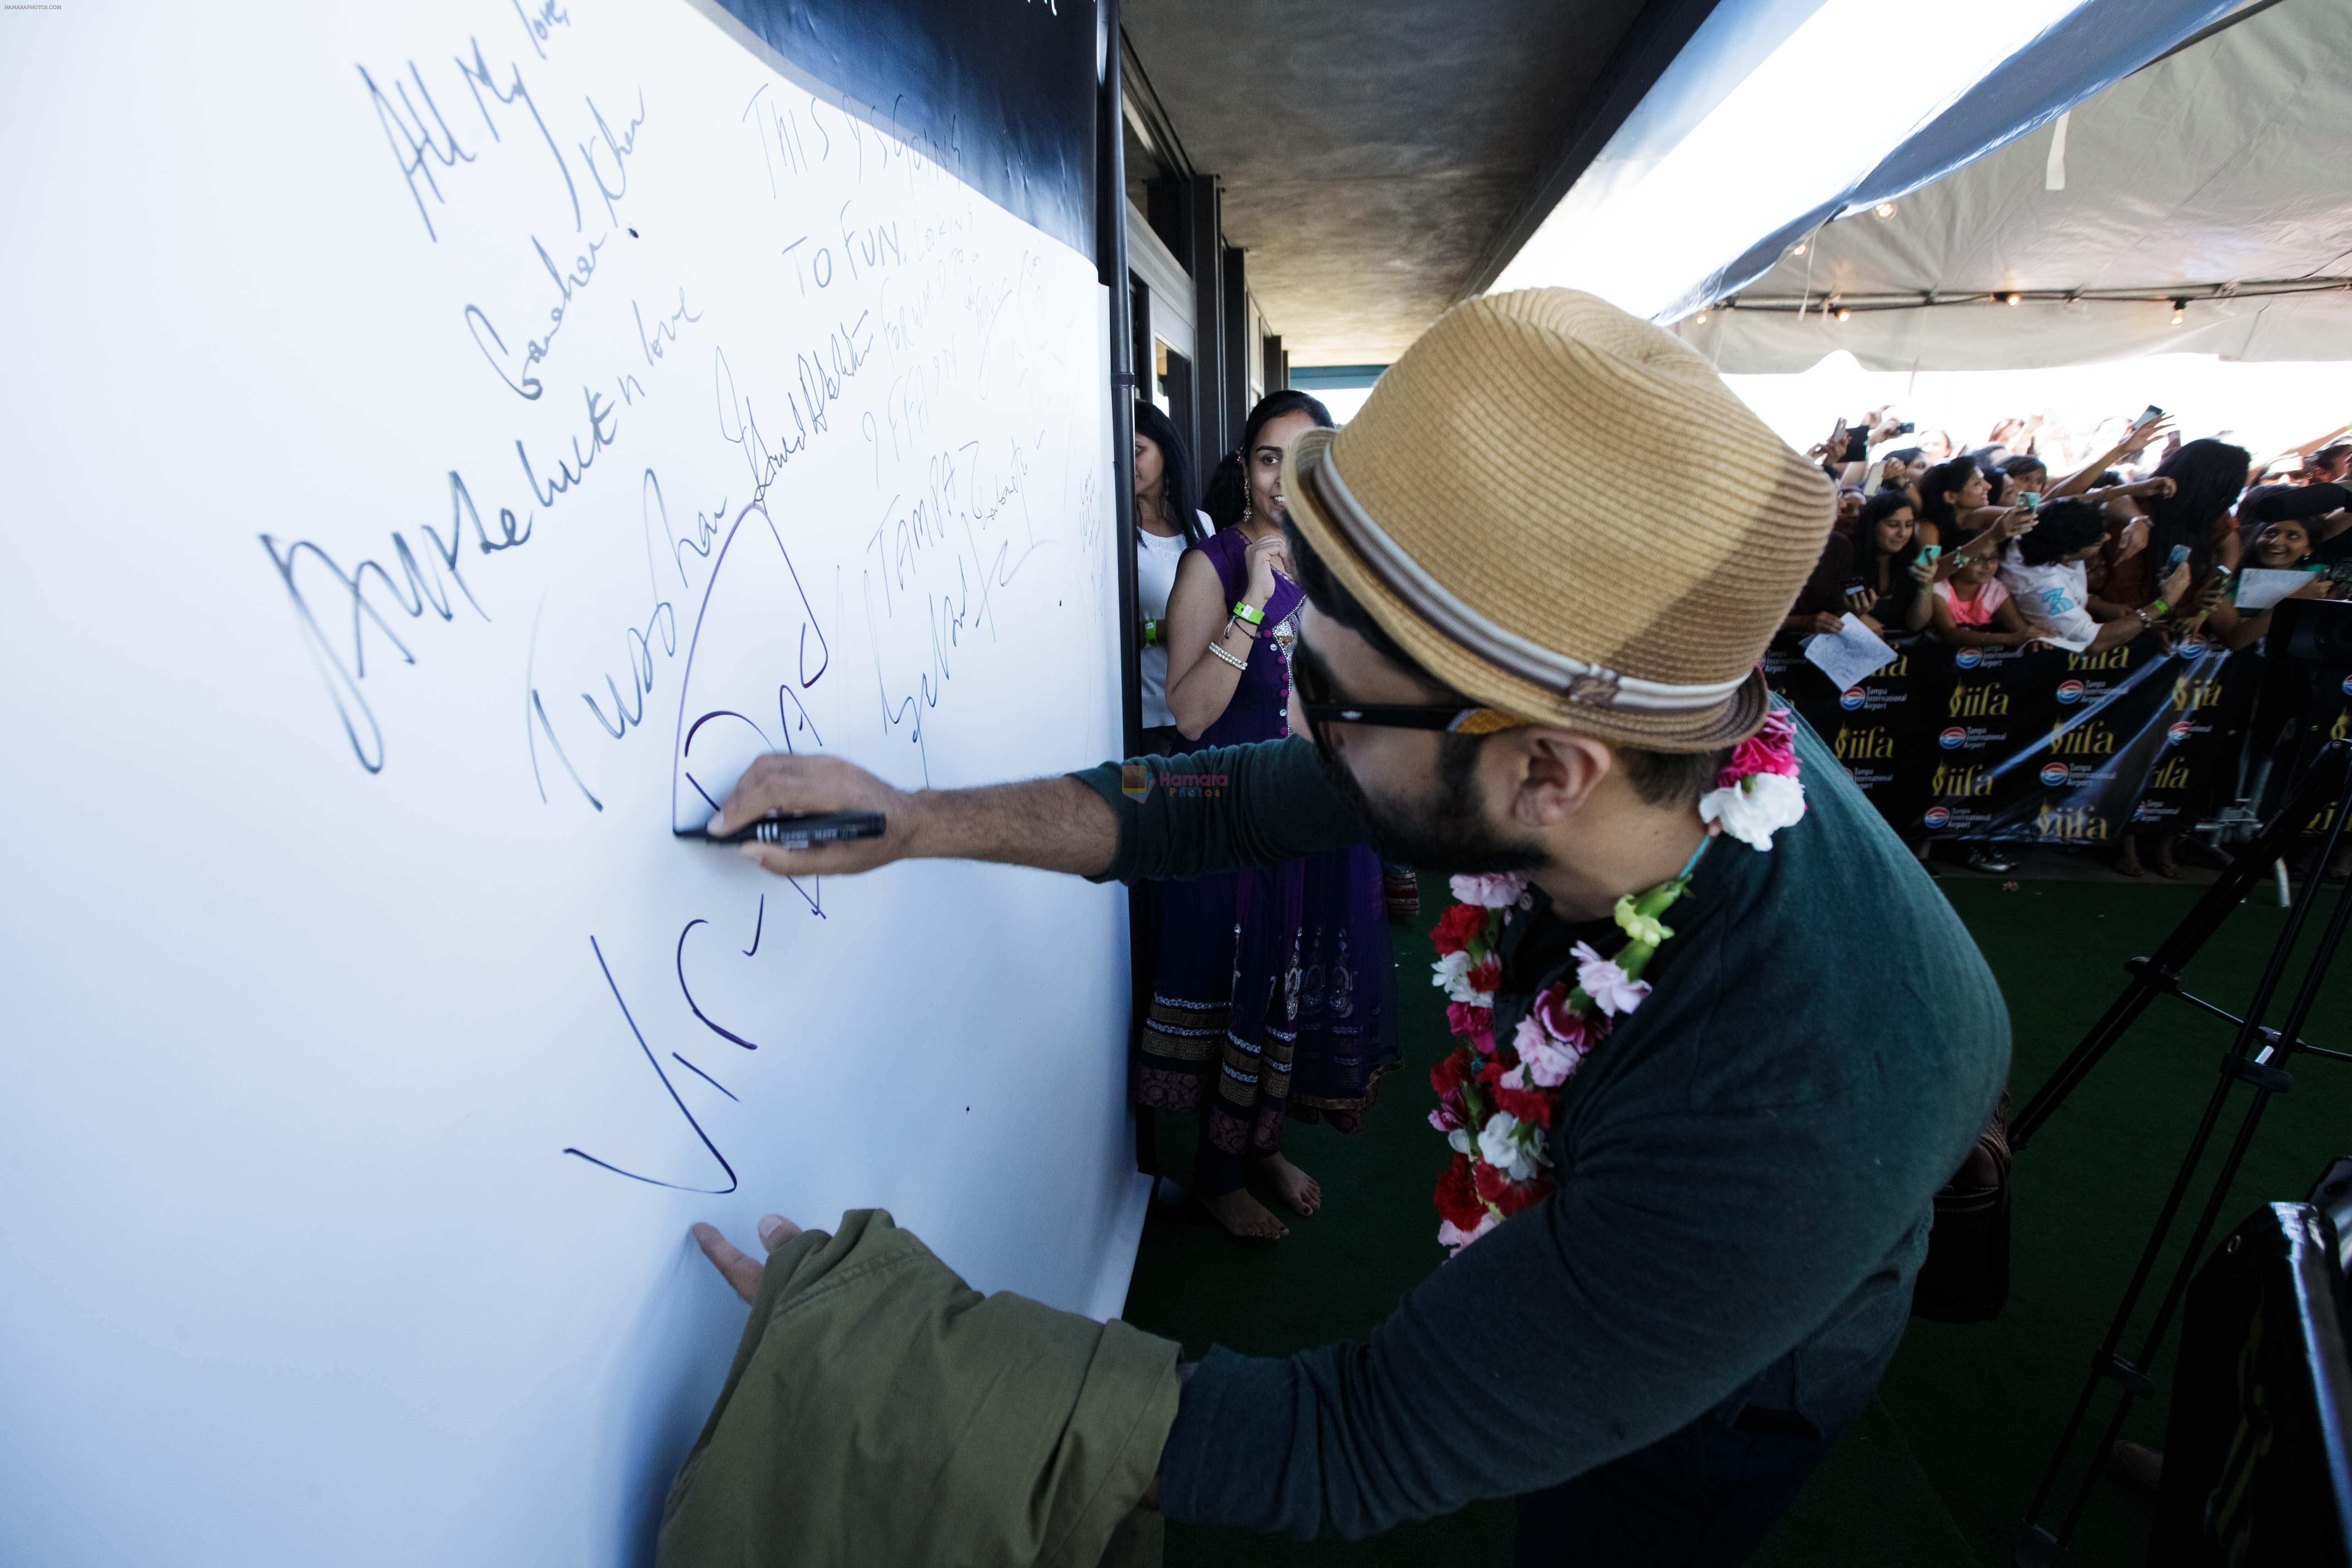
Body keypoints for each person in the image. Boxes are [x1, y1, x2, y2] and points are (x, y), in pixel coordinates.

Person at [695, 289, 2009, 1564]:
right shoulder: (1645, 748)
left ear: (1549, 773)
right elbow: (1225, 805)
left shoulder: (1780, 1105)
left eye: (1325, 691)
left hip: (1738, 1372)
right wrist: (921, 818)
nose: (1301, 717)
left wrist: (894, 1354)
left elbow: (1356, 1439)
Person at [1149, 387, 1398, 1241]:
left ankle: (1261, 1150)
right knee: (1235, 993)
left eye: (1303, 460)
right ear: (1244, 468)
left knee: (1287, 993)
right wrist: (1253, 602)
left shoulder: (1340, 568)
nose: (1280, 480)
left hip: (1315, 815)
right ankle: (1217, 1177)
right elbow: (1188, 715)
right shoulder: (1209, 565)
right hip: (1232, 818)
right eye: (1265, 458)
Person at [1999, 498, 2190, 656]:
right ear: (2067, 554)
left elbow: (2113, 498)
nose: (2108, 538)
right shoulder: (2042, 585)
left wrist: (2139, 521)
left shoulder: (2044, 529)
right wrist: (2164, 603)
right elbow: (2094, 643)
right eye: (2098, 541)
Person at [1132, 400, 1210, 752]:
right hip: (1143, 720)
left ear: (1166, 451)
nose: (1127, 460)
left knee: (1197, 798)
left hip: (1200, 711)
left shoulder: (1201, 524)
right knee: (1140, 799)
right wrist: (1158, 630)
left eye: (1137, 450)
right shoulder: (1114, 535)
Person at [1848, 490, 1934, 636]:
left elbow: (1917, 624)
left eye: (1909, 525)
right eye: (1893, 524)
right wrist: (1855, 617)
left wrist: (1925, 586)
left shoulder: (1913, 562)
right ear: (1872, 525)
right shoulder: (1847, 556)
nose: (1902, 533)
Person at [1929, 552, 2039, 650]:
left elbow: (2022, 631)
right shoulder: (1939, 586)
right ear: (1959, 562)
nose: (1988, 565)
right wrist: (2008, 639)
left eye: (1994, 558)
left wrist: (2037, 639)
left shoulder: (1995, 589)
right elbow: (1950, 635)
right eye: (1977, 559)